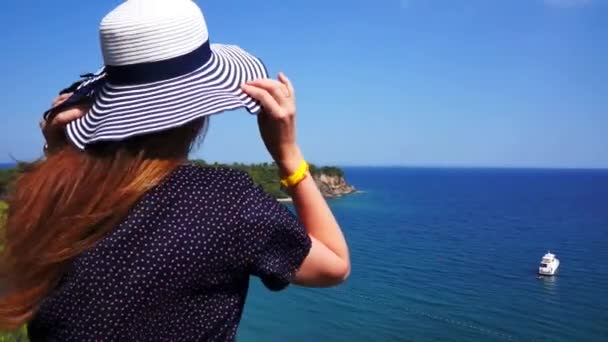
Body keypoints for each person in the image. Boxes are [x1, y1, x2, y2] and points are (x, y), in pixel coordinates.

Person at [0, 0, 350, 340]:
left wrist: (57, 156)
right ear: (199, 109)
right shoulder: (224, 202)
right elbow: (334, 265)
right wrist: (287, 153)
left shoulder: (37, 197)